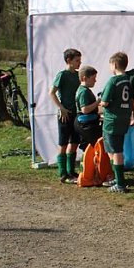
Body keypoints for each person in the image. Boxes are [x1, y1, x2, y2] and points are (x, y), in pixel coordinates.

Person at [99, 52, 134, 193]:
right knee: (113, 149)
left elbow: (104, 102)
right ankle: (118, 177)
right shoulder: (130, 80)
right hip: (124, 118)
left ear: (114, 64)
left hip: (112, 120)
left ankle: (120, 184)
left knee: (115, 150)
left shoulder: (113, 81)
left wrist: (99, 101)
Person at [49, 48, 82, 184]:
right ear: (69, 61)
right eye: (77, 61)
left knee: (74, 142)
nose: (79, 63)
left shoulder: (79, 75)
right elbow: (52, 92)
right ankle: (62, 172)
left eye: (80, 60)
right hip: (65, 114)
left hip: (76, 114)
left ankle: (71, 170)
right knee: (63, 143)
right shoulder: (62, 75)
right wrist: (61, 108)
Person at [74, 65, 102, 149]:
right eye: (93, 78)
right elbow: (85, 109)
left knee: (89, 148)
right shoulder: (83, 92)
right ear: (84, 78)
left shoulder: (84, 90)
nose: (95, 81)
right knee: (98, 145)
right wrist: (98, 101)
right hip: (85, 124)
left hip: (85, 122)